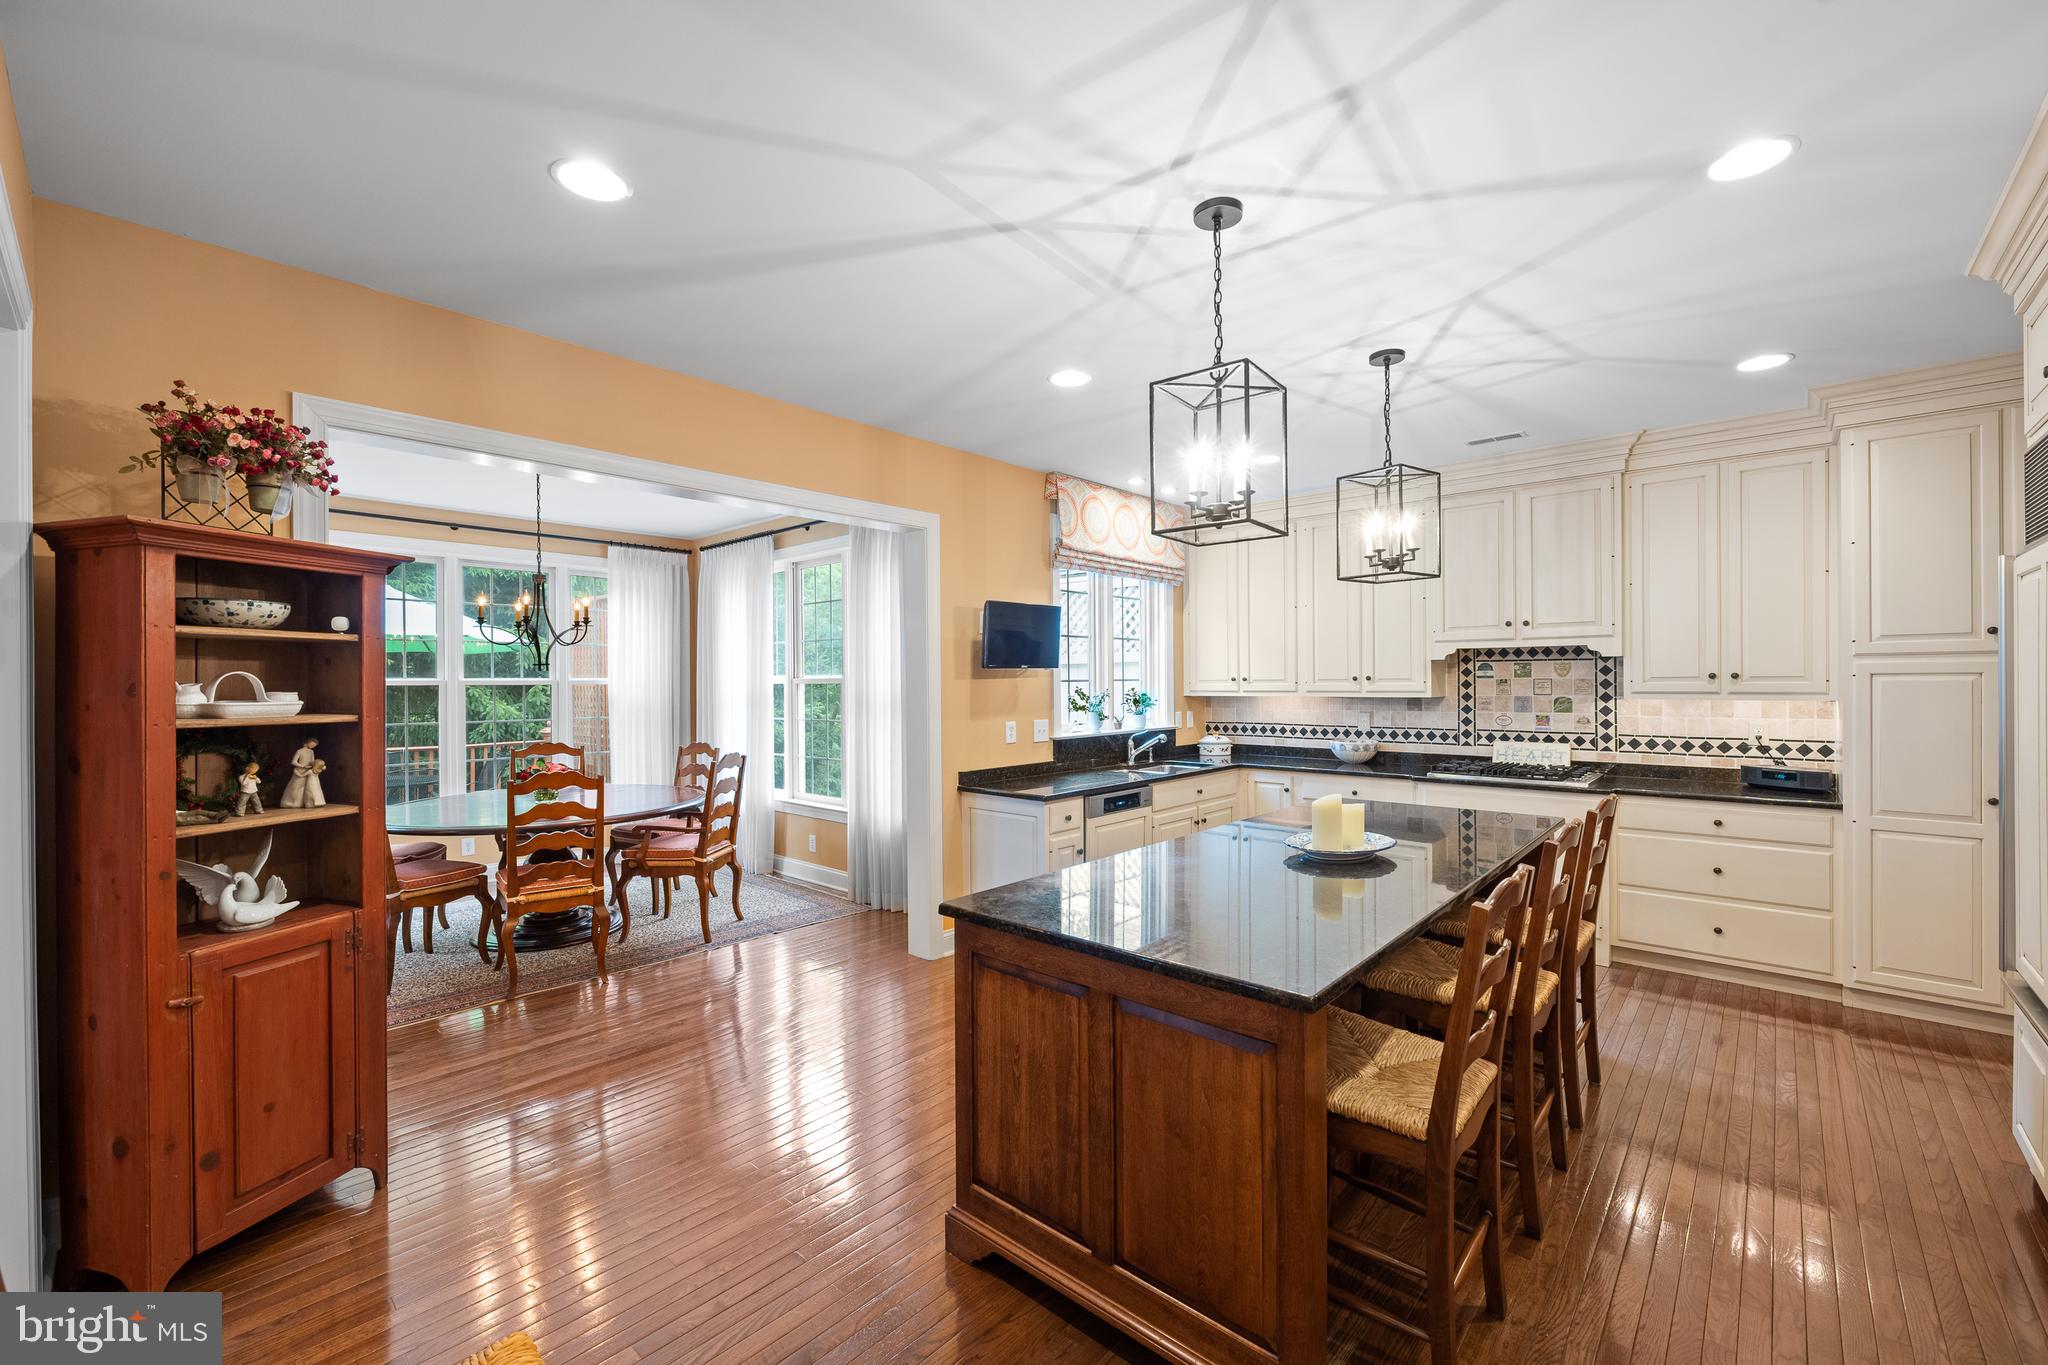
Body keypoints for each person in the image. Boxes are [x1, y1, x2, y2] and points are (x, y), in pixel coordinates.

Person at [280, 738, 324, 808]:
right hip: (300, 770)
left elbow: (313, 762)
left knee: (307, 788)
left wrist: (319, 765)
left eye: (314, 746)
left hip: (308, 771)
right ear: (308, 742)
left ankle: (307, 803)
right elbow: (293, 762)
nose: (313, 747)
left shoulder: (311, 752)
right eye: (312, 744)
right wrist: (303, 766)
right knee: (297, 787)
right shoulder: (299, 751)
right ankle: (294, 803)